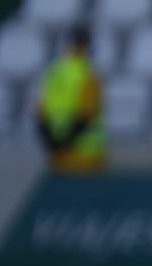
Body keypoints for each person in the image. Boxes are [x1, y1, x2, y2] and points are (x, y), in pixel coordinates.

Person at [33, 24, 105, 173]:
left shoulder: (53, 72)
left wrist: (53, 143)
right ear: (88, 46)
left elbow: (38, 112)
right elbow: (87, 114)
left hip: (57, 156)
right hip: (85, 156)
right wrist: (65, 143)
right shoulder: (89, 74)